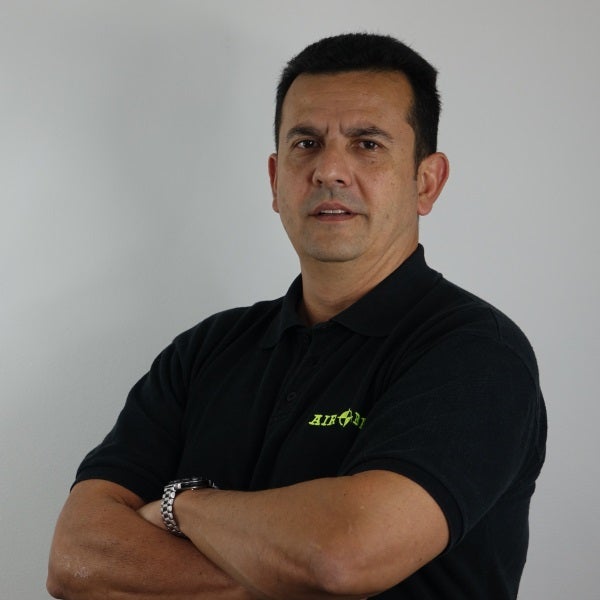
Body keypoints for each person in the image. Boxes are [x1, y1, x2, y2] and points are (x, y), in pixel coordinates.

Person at [47, 33, 546, 599]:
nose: (329, 170)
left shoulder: (475, 355)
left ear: (426, 182)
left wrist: (180, 505)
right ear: (275, 179)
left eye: (367, 144)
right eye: (306, 143)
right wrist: (282, 570)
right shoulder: (204, 351)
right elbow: (74, 557)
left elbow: (341, 559)